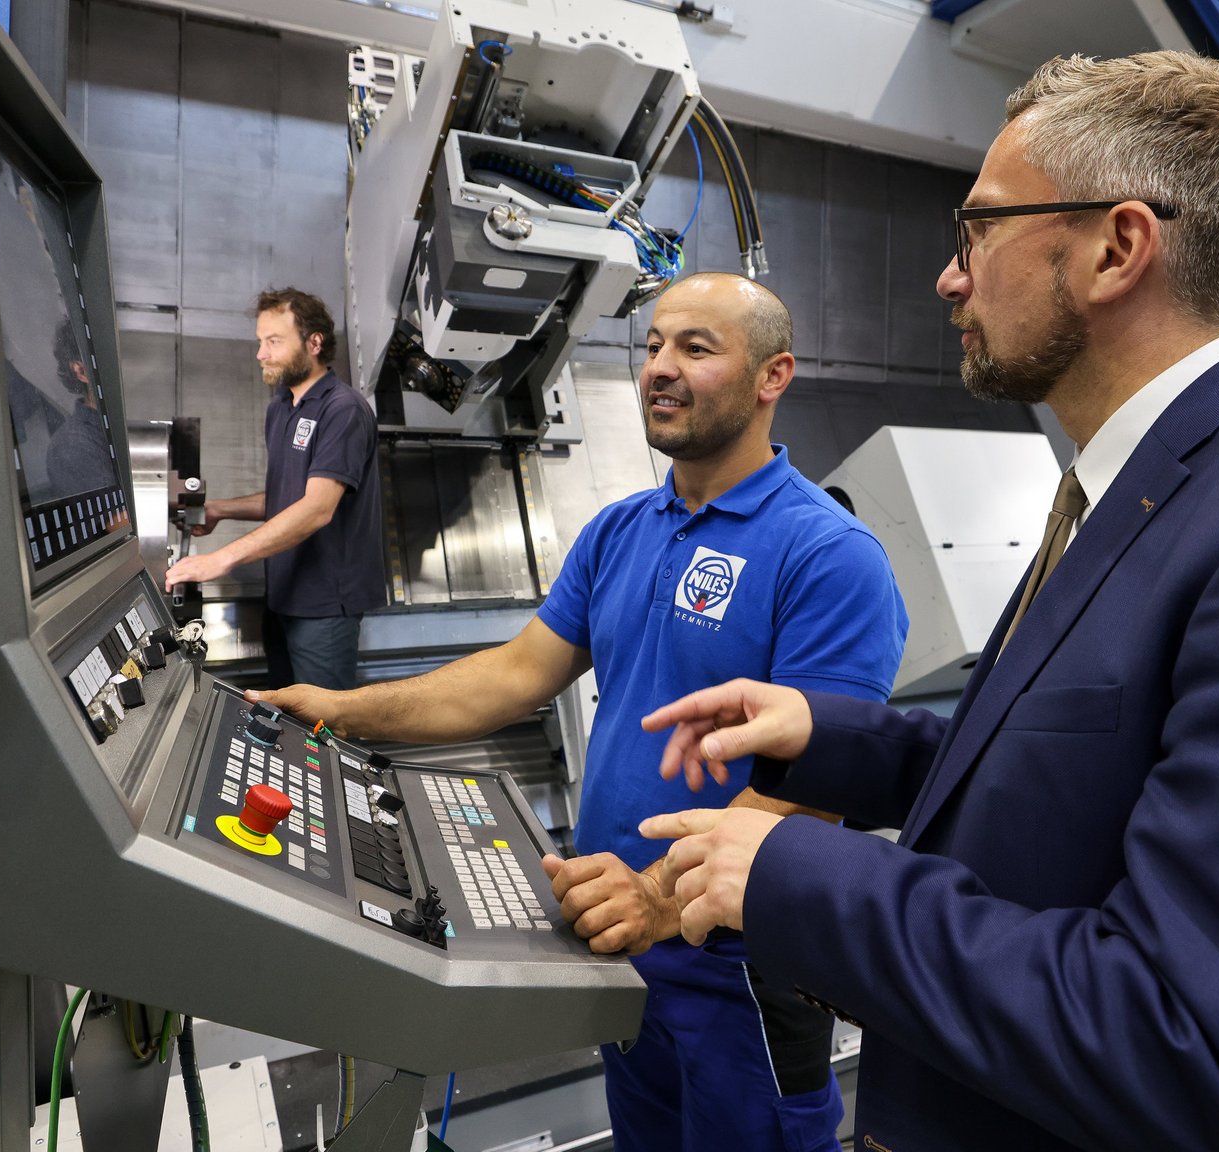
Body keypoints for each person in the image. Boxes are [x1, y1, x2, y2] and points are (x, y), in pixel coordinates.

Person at [639, 52, 1219, 1152]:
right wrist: (831, 739)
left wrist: (800, 875)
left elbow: (1216, 1054)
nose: (949, 276)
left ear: (1116, 248)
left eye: (976, 230)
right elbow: (1079, 790)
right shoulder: (1132, 489)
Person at [254, 272, 908, 1152]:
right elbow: (514, 675)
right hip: (619, 941)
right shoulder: (620, 530)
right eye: (652, 346)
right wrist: (344, 710)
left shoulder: (827, 555)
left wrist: (656, 894)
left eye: (696, 349)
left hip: (736, 967)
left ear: (772, 377)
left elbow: (817, 788)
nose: (660, 369)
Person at [165, 288, 384, 690]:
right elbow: (287, 499)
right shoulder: (280, 408)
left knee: (324, 734)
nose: (260, 354)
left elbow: (317, 508)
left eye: (274, 341)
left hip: (324, 608)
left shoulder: (343, 409)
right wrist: (220, 509)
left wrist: (221, 560)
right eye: (259, 342)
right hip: (281, 598)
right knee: (285, 723)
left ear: (314, 342)